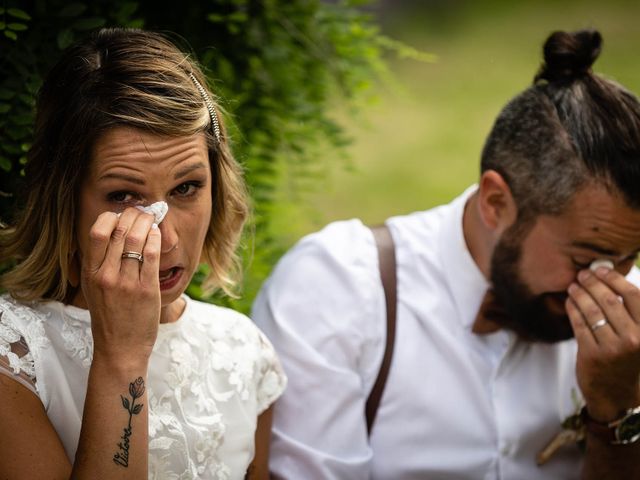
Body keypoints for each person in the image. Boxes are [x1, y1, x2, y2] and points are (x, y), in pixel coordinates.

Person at [252, 29, 640, 479]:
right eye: (585, 258)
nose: (609, 280)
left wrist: (615, 410)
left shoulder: (629, 334)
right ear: (496, 203)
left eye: (629, 256)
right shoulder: (338, 289)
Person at [0, 28, 286, 479]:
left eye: (187, 187)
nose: (166, 238)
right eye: (123, 196)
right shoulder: (13, 357)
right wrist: (122, 356)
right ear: (65, 201)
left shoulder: (243, 348)